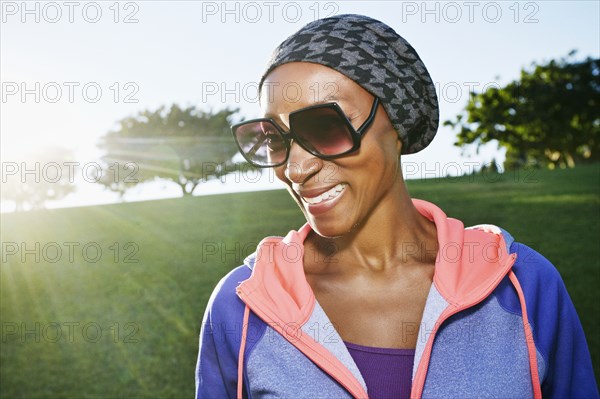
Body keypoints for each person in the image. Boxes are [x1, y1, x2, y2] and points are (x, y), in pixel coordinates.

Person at [195, 14, 598, 399]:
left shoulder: (524, 285)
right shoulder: (240, 306)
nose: (296, 168)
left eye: (325, 126)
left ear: (399, 125)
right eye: (275, 139)